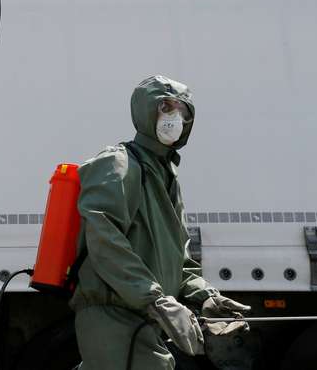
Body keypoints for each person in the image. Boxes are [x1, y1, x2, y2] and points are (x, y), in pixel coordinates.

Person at [69, 75, 250, 369]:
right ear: (144, 111)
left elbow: (179, 256)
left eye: (182, 111)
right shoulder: (118, 163)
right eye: (165, 108)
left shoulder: (165, 173)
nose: (173, 118)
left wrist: (204, 296)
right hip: (113, 318)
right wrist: (156, 300)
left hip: (143, 318)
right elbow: (104, 239)